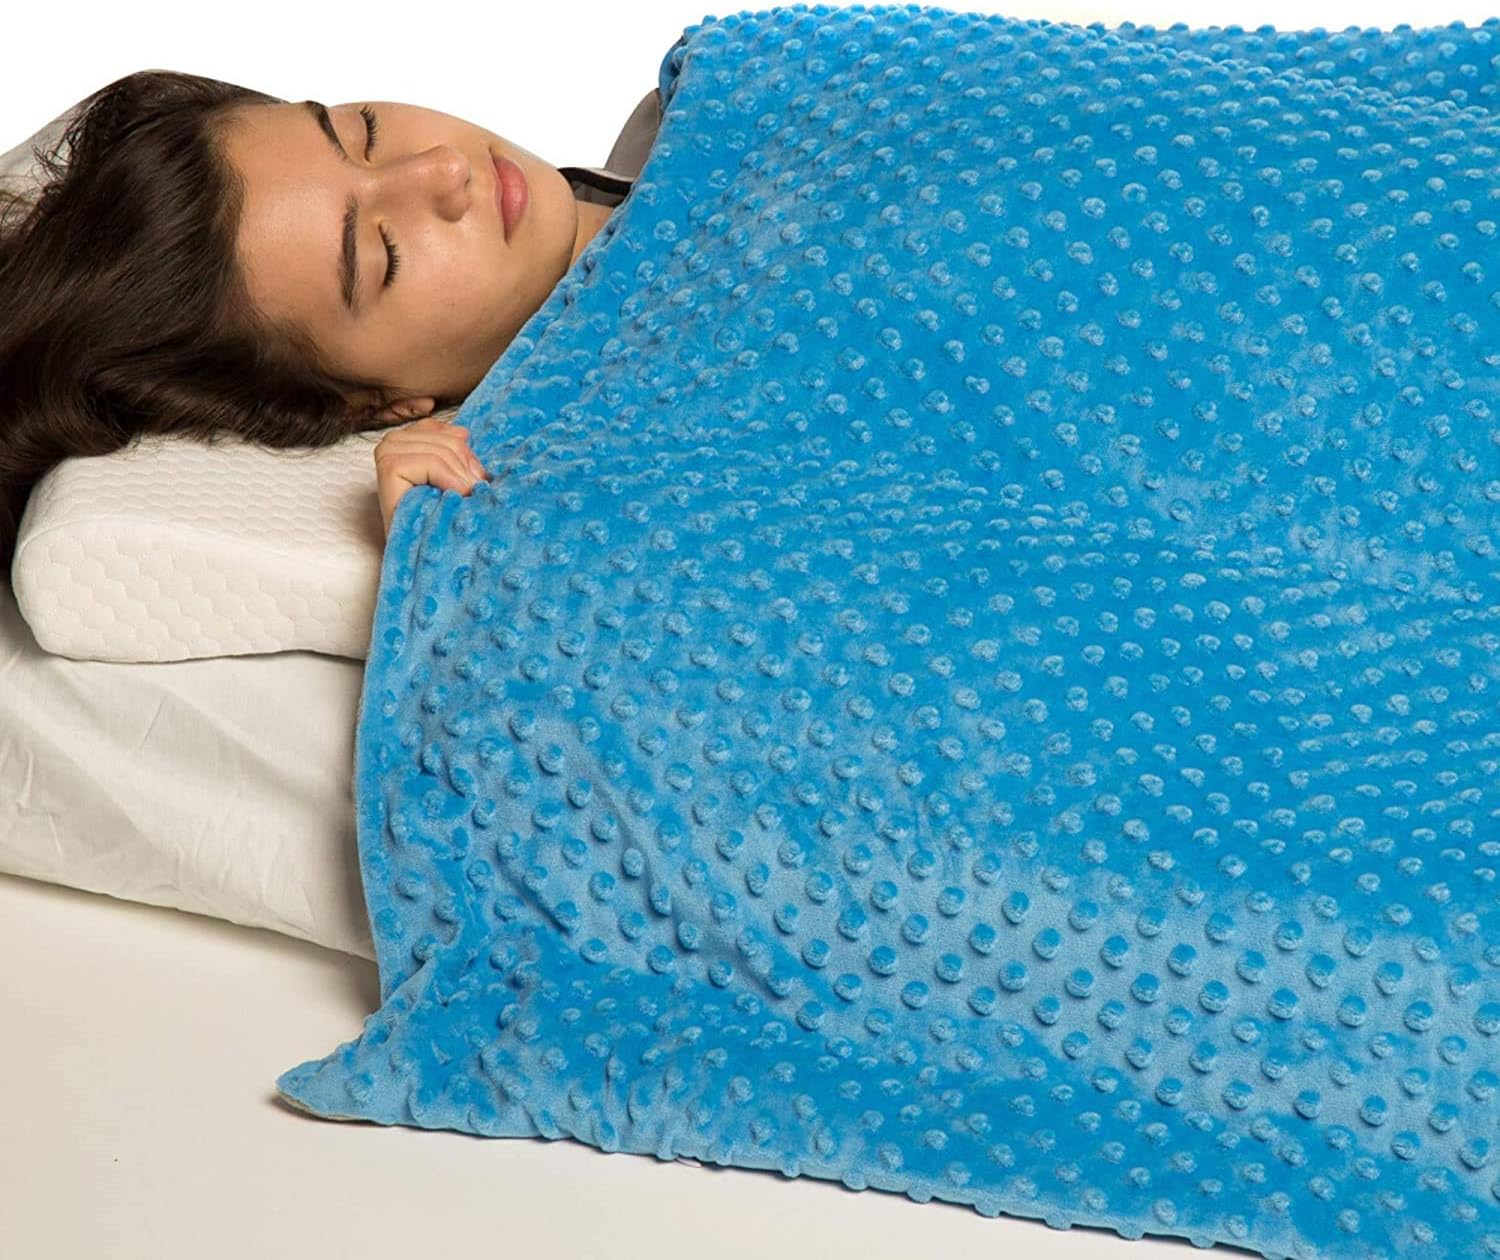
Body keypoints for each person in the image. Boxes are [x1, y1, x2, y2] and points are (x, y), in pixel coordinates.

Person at [0, 65, 661, 581]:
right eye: (385, 255)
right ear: (374, 403)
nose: (446, 169)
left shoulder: (686, 105)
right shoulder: (610, 497)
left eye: (362, 133)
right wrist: (458, 578)